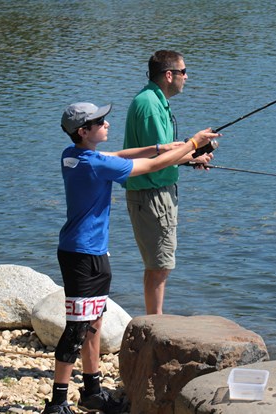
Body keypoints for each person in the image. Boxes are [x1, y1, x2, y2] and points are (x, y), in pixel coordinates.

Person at [42, 102, 219, 414]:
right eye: (100, 121)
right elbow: (149, 168)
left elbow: (123, 157)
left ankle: (93, 390)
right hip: (81, 256)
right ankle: (57, 403)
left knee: (94, 323)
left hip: (94, 253)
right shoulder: (94, 164)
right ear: (84, 131)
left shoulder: (73, 155)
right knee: (76, 329)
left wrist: (172, 150)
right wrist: (192, 144)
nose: (108, 124)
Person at [123, 50, 214, 315]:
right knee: (159, 265)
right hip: (152, 195)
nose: (187, 77)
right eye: (184, 72)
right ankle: (155, 325)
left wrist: (190, 157)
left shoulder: (154, 99)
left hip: (155, 192)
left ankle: (154, 321)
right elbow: (160, 156)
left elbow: (160, 152)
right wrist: (193, 145)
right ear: (169, 75)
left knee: (158, 264)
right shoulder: (150, 105)